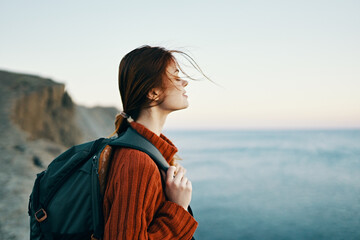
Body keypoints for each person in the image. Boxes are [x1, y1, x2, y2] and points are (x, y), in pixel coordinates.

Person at [102, 45, 204, 239]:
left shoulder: (146, 152)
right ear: (153, 92)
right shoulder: (137, 161)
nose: (184, 82)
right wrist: (178, 208)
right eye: (175, 76)